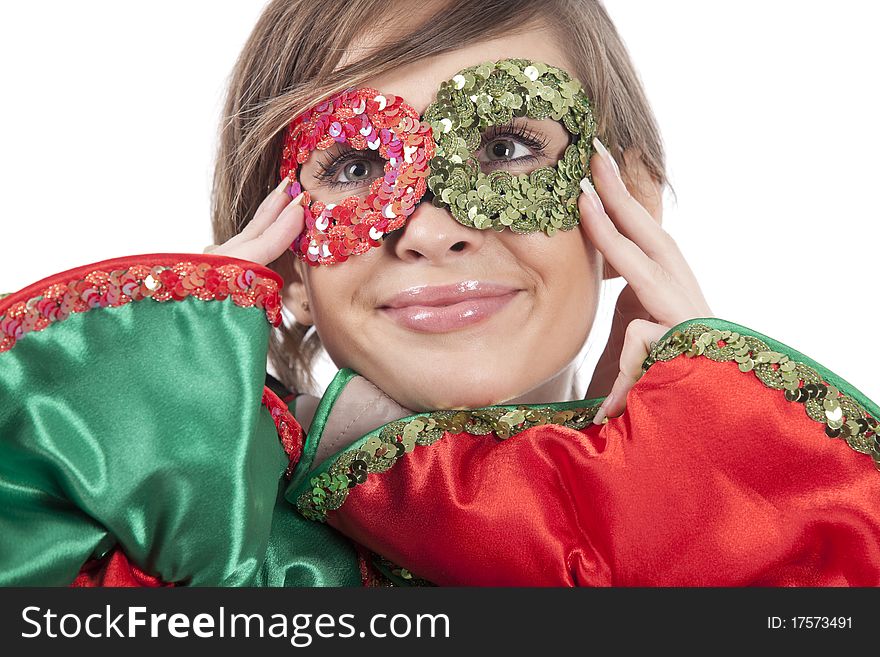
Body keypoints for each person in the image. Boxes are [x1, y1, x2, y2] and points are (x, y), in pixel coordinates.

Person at [1, 0, 878, 587]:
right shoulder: (184, 555)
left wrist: (715, 460)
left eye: (504, 148)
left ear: (626, 204)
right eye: (354, 165)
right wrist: (160, 401)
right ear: (292, 273)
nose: (429, 228)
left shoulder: (810, 531)